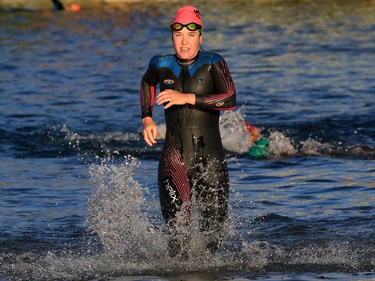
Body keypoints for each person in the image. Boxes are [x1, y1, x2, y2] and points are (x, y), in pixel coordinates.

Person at [140, 6, 236, 257]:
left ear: (200, 37)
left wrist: (187, 98)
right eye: (178, 35)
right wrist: (147, 118)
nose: (184, 42)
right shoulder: (160, 63)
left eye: (191, 35)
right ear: (172, 36)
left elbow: (229, 98)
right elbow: (147, 82)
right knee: (177, 235)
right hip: (174, 162)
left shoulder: (214, 62)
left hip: (210, 162)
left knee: (212, 237)